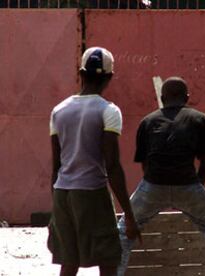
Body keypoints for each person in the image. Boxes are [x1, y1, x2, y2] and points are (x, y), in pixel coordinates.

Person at [117, 77, 205, 276]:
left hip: (152, 184)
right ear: (187, 97)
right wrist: (195, 188)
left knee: (124, 231)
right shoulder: (200, 119)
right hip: (188, 184)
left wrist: (159, 188)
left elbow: (145, 165)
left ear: (162, 98)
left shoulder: (147, 121)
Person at [48, 47, 140, 276]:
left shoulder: (59, 111)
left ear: (81, 73)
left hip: (62, 193)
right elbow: (112, 165)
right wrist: (129, 215)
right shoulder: (109, 111)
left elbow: (56, 166)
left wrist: (57, 205)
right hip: (92, 192)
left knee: (69, 262)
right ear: (109, 77)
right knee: (107, 259)